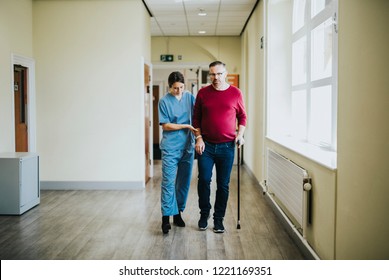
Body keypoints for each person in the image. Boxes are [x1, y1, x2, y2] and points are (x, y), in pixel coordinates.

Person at [193, 61, 247, 233]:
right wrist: (199, 138)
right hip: (206, 146)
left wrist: (240, 135)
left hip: (227, 147)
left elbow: (243, 116)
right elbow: (196, 119)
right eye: (212, 74)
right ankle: (204, 214)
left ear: (225, 73)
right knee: (204, 181)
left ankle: (218, 219)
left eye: (219, 74)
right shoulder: (202, 93)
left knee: (223, 185)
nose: (215, 77)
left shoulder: (236, 93)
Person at [158, 71, 197, 234]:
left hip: (188, 147)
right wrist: (185, 126)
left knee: (184, 182)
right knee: (168, 182)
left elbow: (196, 119)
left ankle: (178, 213)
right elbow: (165, 125)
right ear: (169, 87)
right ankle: (166, 217)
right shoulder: (164, 101)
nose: (179, 91)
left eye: (181, 87)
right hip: (170, 148)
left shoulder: (190, 98)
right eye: (175, 88)